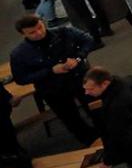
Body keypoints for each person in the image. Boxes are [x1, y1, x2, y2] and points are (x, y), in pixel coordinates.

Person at [9, 15, 96, 145]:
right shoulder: (19, 54)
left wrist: (78, 58)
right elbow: (21, 78)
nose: (39, 33)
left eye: (40, 27)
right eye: (32, 32)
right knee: (72, 120)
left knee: (97, 109)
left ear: (43, 23)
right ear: (23, 34)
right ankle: (91, 142)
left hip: (80, 79)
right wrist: (50, 71)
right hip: (53, 89)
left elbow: (88, 40)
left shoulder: (64, 32)